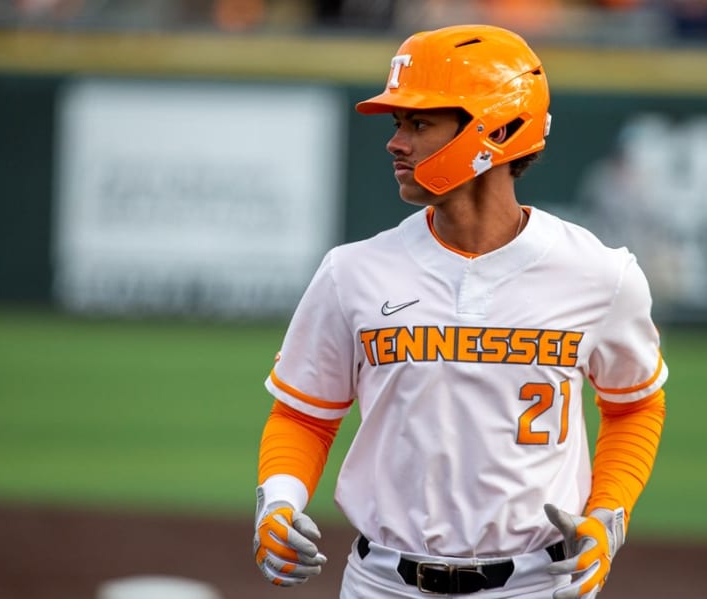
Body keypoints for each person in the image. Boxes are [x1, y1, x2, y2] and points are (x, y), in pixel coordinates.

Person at [253, 24, 667, 599]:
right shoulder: (351, 271)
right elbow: (304, 415)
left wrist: (607, 516)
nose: (396, 143)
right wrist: (277, 503)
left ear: (496, 127)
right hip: (382, 583)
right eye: (399, 123)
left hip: (538, 585)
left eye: (419, 123)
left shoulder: (600, 274)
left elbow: (634, 407)